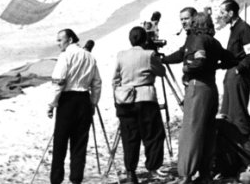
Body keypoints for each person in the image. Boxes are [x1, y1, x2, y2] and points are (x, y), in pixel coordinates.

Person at [162, 13, 235, 184]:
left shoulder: (198, 39)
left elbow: (198, 61)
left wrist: (187, 68)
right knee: (208, 132)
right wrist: (216, 66)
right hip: (211, 88)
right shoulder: (214, 42)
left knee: (191, 131)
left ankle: (186, 174)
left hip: (197, 88)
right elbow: (230, 59)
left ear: (197, 24)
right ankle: (205, 174)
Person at [112, 27, 166, 184]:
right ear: (145, 40)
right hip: (145, 99)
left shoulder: (121, 55)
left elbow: (115, 79)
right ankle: (153, 167)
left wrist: (118, 96)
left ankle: (131, 173)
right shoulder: (149, 55)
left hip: (125, 100)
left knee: (129, 137)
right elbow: (161, 72)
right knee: (154, 135)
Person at [47, 29, 102, 184]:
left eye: (60, 40)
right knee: (80, 143)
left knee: (60, 142)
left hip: (67, 100)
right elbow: (97, 83)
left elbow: (59, 81)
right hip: (84, 100)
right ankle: (76, 179)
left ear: (70, 40)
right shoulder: (90, 57)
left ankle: (56, 179)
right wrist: (93, 102)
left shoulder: (65, 56)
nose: (58, 44)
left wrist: (52, 104)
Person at [219, 0, 250, 136]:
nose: (221, 15)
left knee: (238, 113)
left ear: (231, 13)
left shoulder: (244, 29)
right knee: (229, 114)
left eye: (222, 12)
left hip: (240, 76)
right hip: (232, 75)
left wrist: (239, 69)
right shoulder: (234, 29)